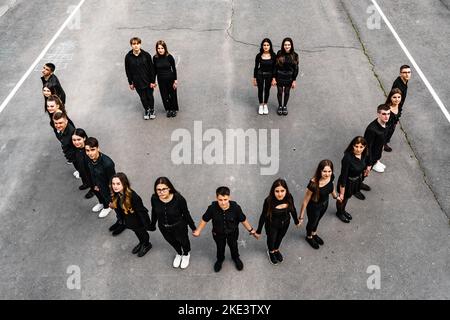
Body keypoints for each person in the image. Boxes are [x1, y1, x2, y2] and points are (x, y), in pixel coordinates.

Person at [193, 186, 258, 272]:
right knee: (220, 247)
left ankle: (236, 258)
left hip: (233, 232)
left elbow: (243, 220)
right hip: (218, 233)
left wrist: (251, 230)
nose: (223, 203)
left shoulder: (236, 208)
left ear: (229, 197)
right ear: (216, 198)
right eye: (220, 200)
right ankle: (220, 260)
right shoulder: (212, 208)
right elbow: (204, 219)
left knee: (233, 246)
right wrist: (198, 230)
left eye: (225, 199)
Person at [149, 177, 196, 269]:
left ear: (169, 188)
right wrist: (152, 224)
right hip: (163, 227)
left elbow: (186, 213)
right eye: (158, 189)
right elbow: (154, 211)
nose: (161, 192)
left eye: (164, 189)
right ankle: (179, 253)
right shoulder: (154, 198)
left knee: (184, 241)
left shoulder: (179, 199)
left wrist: (193, 227)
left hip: (179, 226)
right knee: (172, 241)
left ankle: (186, 254)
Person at [255, 179, 300, 265]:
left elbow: (293, 209)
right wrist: (258, 231)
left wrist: (296, 221)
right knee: (271, 239)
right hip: (272, 225)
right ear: (273, 191)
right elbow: (263, 216)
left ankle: (276, 249)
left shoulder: (289, 197)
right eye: (277, 191)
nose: (280, 194)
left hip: (285, 223)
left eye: (282, 191)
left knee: (280, 237)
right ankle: (271, 252)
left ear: (286, 190)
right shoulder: (268, 201)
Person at [110, 173, 152, 257]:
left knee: (142, 233)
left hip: (138, 221)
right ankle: (141, 242)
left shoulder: (133, 196)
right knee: (136, 232)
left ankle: (147, 244)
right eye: (113, 184)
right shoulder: (117, 194)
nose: (115, 186)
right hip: (128, 221)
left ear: (124, 184)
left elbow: (142, 211)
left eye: (118, 184)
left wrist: (146, 224)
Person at [299, 160, 338, 249]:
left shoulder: (331, 177)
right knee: (312, 222)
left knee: (317, 220)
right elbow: (305, 201)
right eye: (324, 171)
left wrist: (336, 197)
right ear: (319, 171)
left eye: (329, 171)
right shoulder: (313, 184)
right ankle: (309, 237)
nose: (327, 174)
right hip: (314, 207)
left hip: (324, 204)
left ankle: (314, 233)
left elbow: (332, 187)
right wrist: (301, 217)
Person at [336, 136, 371, 223]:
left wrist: (368, 168)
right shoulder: (347, 158)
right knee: (343, 199)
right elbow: (344, 176)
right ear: (352, 146)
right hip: (347, 182)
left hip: (356, 181)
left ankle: (343, 210)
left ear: (365, 147)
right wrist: (341, 193)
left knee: (348, 198)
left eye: (361, 147)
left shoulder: (364, 154)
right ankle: (339, 212)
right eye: (356, 146)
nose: (358, 149)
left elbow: (367, 161)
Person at [125, 37, 156, 120]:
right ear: (131, 45)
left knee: (150, 96)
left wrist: (153, 81)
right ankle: (147, 109)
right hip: (137, 82)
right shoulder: (128, 57)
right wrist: (130, 83)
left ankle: (152, 110)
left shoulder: (146, 55)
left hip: (148, 80)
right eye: (134, 44)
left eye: (137, 44)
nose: (136, 46)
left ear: (140, 44)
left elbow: (152, 69)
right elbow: (127, 70)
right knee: (143, 98)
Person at [85, 137, 115, 219]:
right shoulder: (88, 158)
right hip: (96, 182)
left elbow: (111, 181)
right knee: (98, 194)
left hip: (105, 185)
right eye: (87, 150)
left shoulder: (107, 163)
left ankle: (107, 207)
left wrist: (112, 199)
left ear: (98, 148)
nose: (90, 153)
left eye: (92, 150)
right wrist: (95, 184)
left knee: (105, 195)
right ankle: (101, 203)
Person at [272, 37, 299, 116]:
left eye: (289, 45)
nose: (287, 46)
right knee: (280, 92)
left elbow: (296, 69)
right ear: (283, 45)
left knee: (287, 92)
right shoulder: (279, 53)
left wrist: (294, 80)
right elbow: (275, 66)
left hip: (289, 77)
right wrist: (274, 78)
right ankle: (280, 106)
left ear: (291, 45)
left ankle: (284, 106)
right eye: (285, 45)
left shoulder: (295, 55)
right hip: (279, 76)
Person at [154, 40, 179, 118]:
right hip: (161, 79)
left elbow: (174, 69)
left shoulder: (169, 57)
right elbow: (154, 70)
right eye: (159, 48)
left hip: (170, 78)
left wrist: (175, 81)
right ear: (156, 49)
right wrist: (153, 81)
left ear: (165, 48)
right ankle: (168, 109)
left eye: (162, 48)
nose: (160, 50)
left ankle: (173, 109)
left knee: (172, 94)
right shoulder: (155, 58)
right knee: (164, 95)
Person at [364, 104, 391, 174]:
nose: (387, 116)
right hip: (372, 154)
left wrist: (382, 146)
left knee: (378, 154)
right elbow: (367, 147)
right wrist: (369, 164)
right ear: (378, 114)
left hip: (378, 150)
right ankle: (373, 164)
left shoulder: (386, 123)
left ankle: (376, 161)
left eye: (388, 114)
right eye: (384, 114)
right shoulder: (371, 129)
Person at [253, 38, 276, 115]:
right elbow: (256, 67)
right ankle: (260, 105)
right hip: (260, 74)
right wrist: (254, 78)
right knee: (260, 90)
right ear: (262, 46)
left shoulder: (273, 55)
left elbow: (274, 68)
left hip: (269, 75)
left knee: (267, 90)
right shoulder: (259, 55)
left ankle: (265, 104)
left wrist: (274, 78)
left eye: (267, 45)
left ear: (270, 46)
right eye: (264, 45)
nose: (266, 46)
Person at [71, 128, 94, 199]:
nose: (76, 142)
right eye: (74, 140)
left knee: (91, 179)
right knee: (84, 176)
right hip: (82, 170)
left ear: (84, 138)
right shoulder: (77, 148)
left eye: (79, 139)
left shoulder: (88, 150)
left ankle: (92, 190)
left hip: (90, 172)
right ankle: (86, 184)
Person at [52, 111, 77, 176]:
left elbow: (77, 148)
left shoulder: (72, 134)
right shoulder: (61, 129)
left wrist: (72, 157)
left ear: (66, 121)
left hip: (75, 156)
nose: (58, 125)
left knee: (78, 165)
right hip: (70, 154)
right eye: (56, 123)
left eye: (60, 123)